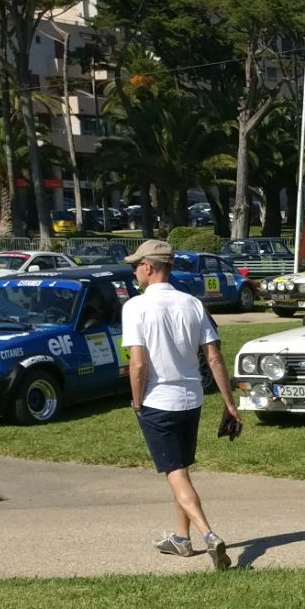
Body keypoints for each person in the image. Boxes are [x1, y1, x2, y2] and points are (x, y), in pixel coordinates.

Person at [120, 238, 240, 570]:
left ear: (148, 267)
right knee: (181, 470)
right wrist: (229, 404)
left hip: (158, 401)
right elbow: (214, 358)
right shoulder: (192, 303)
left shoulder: (135, 307)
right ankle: (181, 538)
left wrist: (136, 399)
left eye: (136, 266)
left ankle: (208, 534)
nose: (134, 271)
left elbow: (138, 364)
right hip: (192, 399)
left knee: (174, 471)